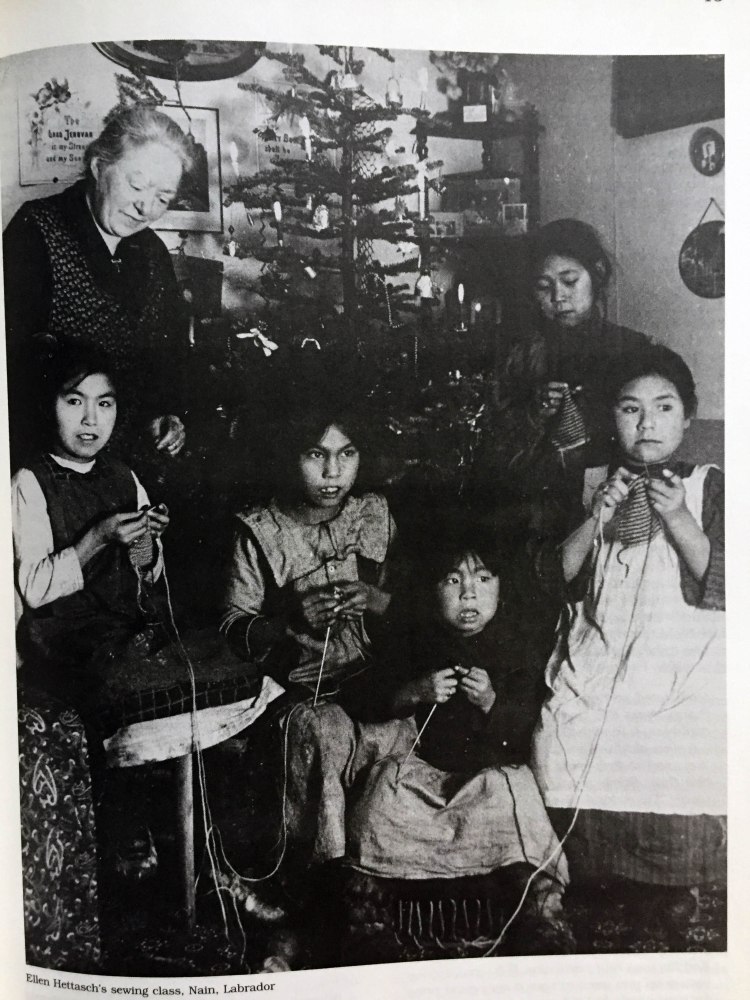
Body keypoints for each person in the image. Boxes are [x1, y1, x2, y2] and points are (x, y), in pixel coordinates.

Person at [12, 342, 256, 876]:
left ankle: (208, 849)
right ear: (46, 406)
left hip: (126, 628)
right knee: (115, 682)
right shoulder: (29, 483)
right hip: (67, 637)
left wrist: (147, 544)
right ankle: (129, 832)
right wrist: (99, 537)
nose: (89, 419)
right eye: (73, 402)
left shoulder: (124, 476)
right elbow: (33, 588)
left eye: (105, 404)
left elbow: (149, 577)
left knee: (212, 657)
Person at [530, 346, 725, 915]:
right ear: (611, 419)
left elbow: (726, 582)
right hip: (602, 644)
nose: (647, 423)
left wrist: (679, 518)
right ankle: (594, 876)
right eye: (630, 409)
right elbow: (554, 578)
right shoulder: (592, 481)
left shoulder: (711, 484)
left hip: (682, 652)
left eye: (663, 408)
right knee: (563, 734)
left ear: (687, 417)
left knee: (675, 742)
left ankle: (673, 881)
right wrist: (597, 518)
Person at [345, 519, 573, 953]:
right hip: (424, 778)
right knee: (384, 786)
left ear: (501, 590)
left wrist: (490, 700)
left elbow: (526, 725)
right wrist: (415, 691)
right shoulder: (415, 639)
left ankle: (542, 913)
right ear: (433, 591)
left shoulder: (518, 647)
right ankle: (368, 917)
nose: (469, 593)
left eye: (483, 579)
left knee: (514, 788)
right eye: (453, 580)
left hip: (487, 781)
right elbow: (367, 697)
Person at [220, 400, 405, 894]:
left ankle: (391, 871)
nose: (332, 472)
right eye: (315, 455)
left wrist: (376, 599)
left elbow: (419, 609)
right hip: (295, 696)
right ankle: (333, 880)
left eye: (347, 455)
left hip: (375, 682)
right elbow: (231, 626)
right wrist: (288, 622)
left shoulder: (374, 514)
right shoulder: (260, 530)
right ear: (288, 456)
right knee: (326, 730)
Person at [3, 106, 194, 471]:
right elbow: (14, 367)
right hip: (51, 459)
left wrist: (167, 411)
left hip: (132, 456)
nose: (145, 207)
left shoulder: (151, 249)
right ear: (98, 166)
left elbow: (169, 354)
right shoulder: (35, 230)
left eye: (163, 198)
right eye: (136, 186)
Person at [488, 219, 651, 525]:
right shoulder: (521, 356)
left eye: (569, 281)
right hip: (537, 511)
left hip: (617, 505)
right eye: (543, 286)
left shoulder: (633, 349)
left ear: (597, 274)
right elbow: (498, 445)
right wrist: (534, 413)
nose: (557, 296)